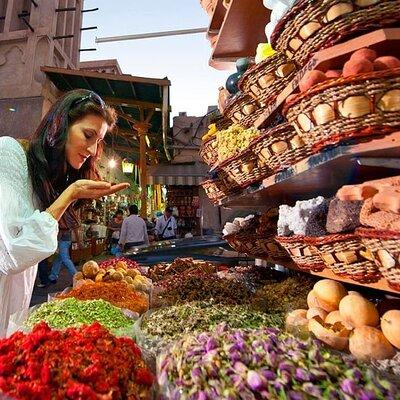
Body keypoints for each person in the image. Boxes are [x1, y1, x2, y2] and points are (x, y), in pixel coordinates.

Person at [0, 89, 129, 336]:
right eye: (88, 135)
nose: (92, 150)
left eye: (98, 142)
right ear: (60, 125)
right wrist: (71, 193)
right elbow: (14, 250)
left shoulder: (44, 175)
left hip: (15, 302)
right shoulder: (9, 152)